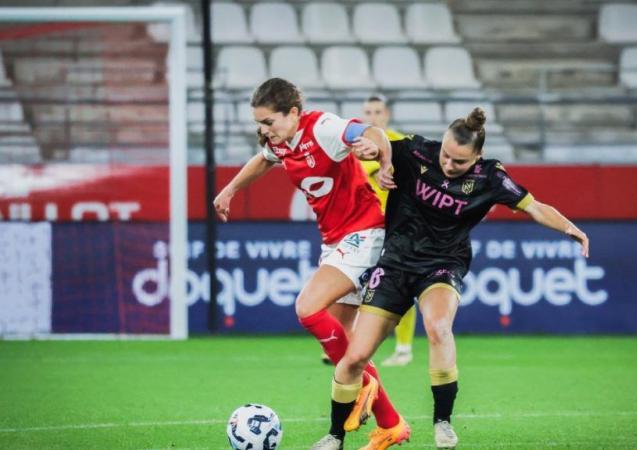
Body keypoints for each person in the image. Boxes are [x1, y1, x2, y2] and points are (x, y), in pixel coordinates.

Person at [318, 107, 590, 449]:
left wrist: (571, 229)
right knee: (355, 358)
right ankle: (334, 436)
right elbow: (375, 135)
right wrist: (379, 156)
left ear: (477, 157)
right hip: (396, 262)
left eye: (459, 162)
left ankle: (442, 423)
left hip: (443, 264)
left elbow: (534, 206)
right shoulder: (417, 151)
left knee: (438, 327)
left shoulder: (491, 177)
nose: (448, 164)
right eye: (446, 155)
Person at [212, 78, 409, 448]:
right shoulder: (280, 142)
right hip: (336, 241)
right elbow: (263, 160)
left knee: (307, 307)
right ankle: (391, 424)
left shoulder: (323, 127)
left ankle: (366, 388)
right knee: (339, 350)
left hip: (365, 234)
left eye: (269, 121)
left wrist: (383, 161)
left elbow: (373, 132)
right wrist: (230, 189)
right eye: (259, 123)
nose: (263, 129)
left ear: (293, 113)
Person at [361, 95, 416, 367]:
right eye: (368, 112)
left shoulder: (400, 144)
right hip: (363, 228)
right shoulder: (353, 151)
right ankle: (357, 345)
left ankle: (404, 348)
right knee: (359, 288)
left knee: (400, 287)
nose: (373, 117)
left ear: (387, 114)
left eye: (377, 111)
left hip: (396, 228)